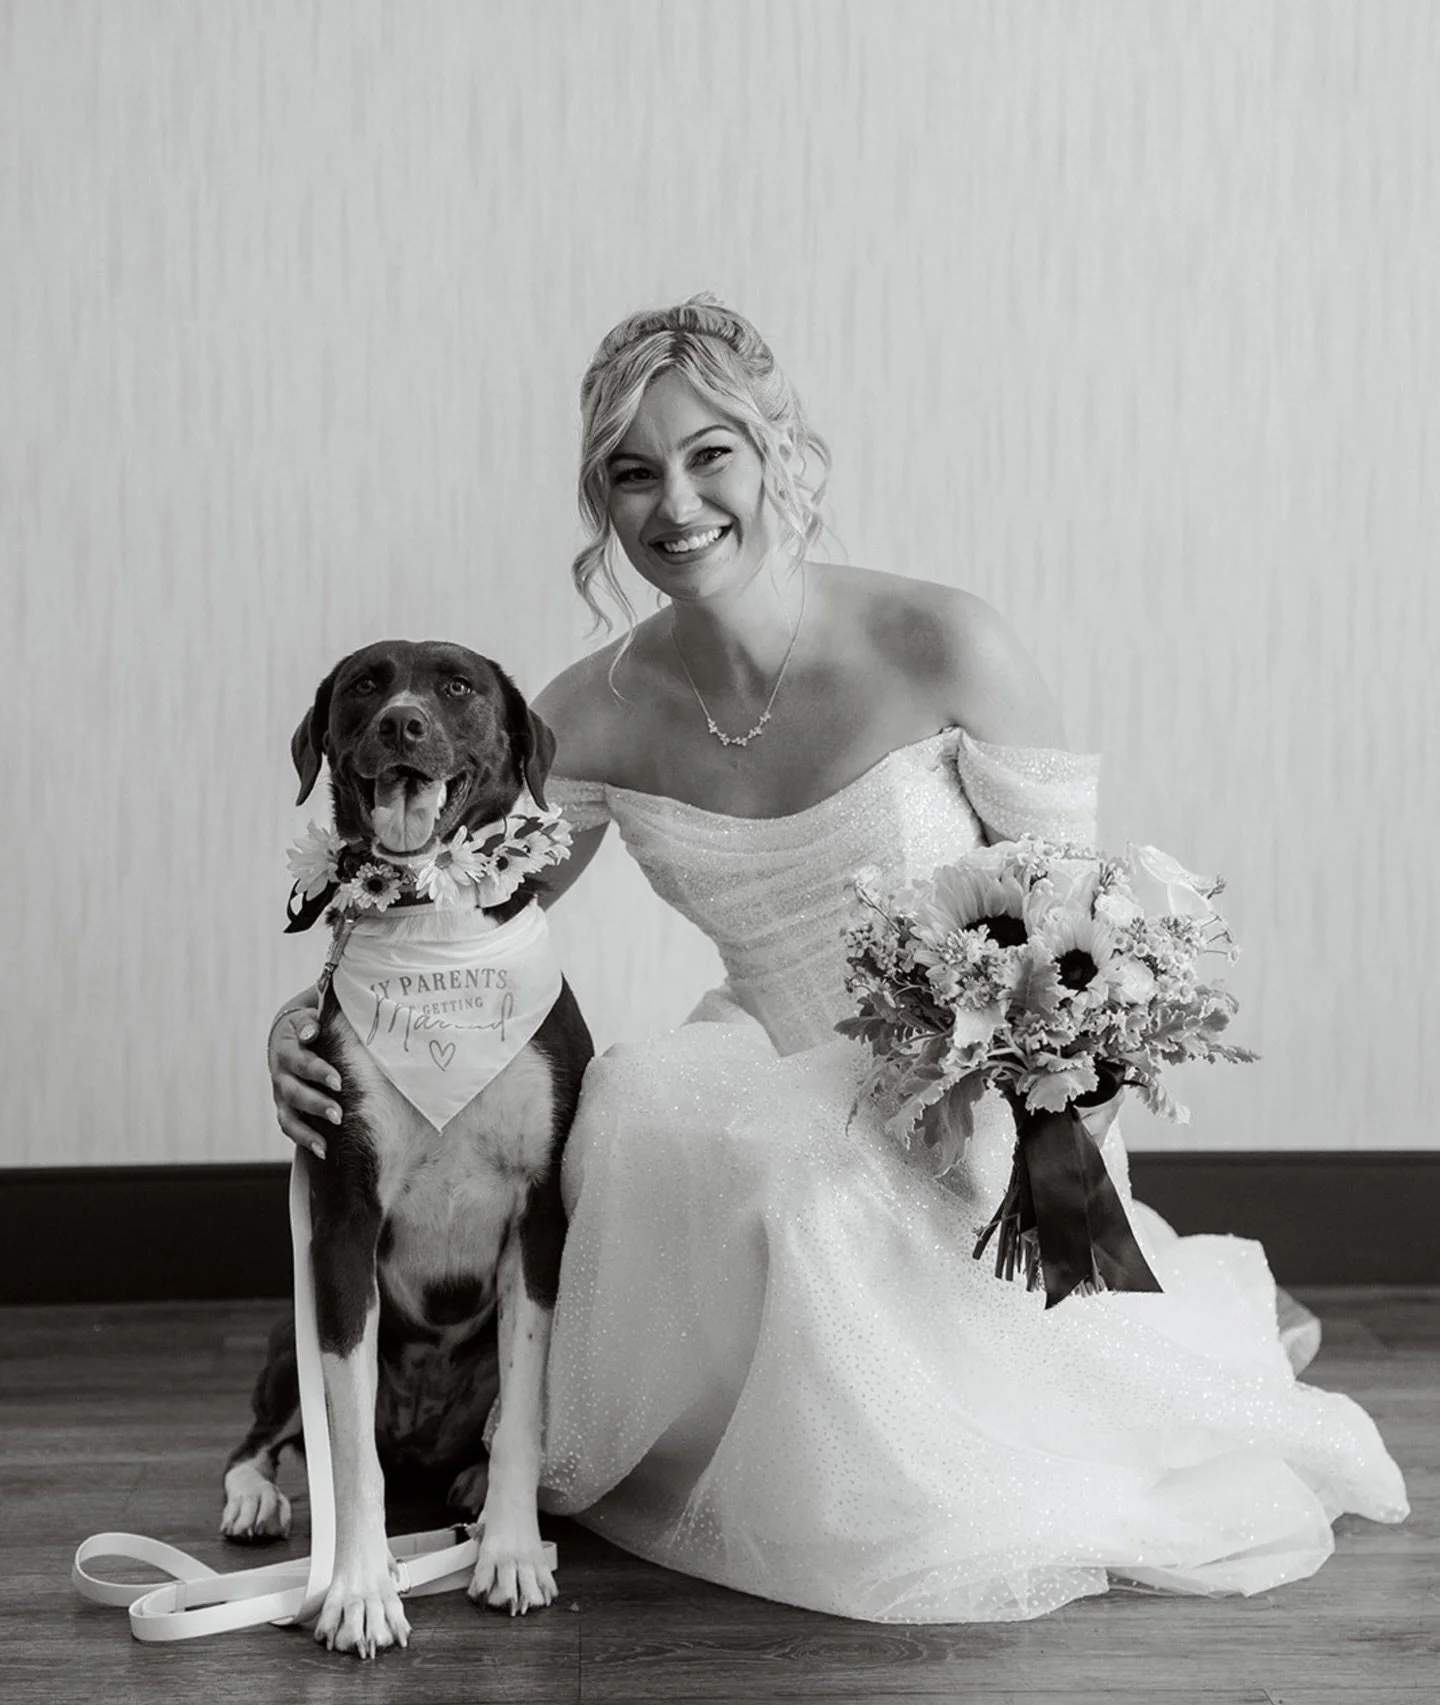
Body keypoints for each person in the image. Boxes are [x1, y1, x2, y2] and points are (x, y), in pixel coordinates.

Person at [269, 295, 1407, 1623]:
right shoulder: (586, 713)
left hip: (991, 1097)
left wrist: (1043, 1089)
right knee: (643, 1107)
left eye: (710, 457)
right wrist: (307, 1020)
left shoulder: (942, 641)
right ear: (601, 502)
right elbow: (458, 915)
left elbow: (1077, 923)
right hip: (766, 1065)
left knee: (808, 1164)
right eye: (632, 475)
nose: (675, 505)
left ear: (776, 451)